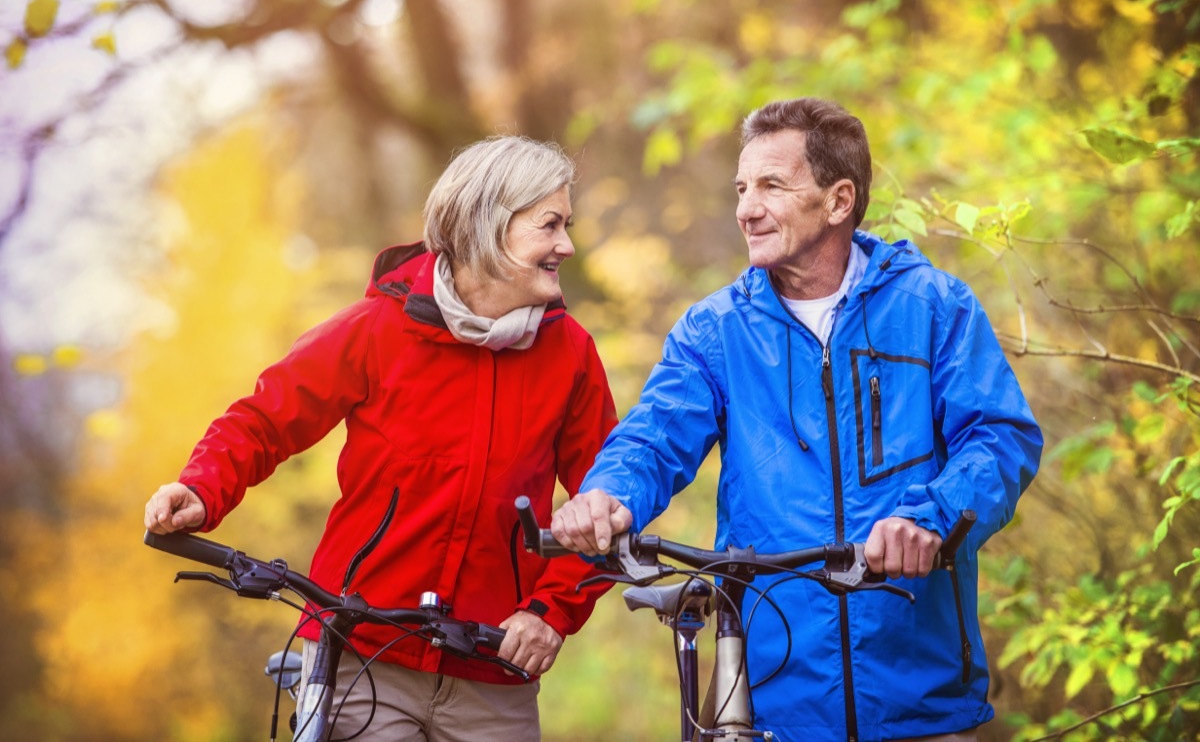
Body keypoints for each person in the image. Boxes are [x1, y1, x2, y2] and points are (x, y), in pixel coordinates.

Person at [550, 98, 1043, 742]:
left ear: (839, 202)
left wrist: (933, 516)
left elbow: (1000, 439)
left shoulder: (933, 305)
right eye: (741, 188)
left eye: (771, 186)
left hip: (920, 694)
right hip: (772, 700)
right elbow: (655, 435)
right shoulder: (716, 329)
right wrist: (609, 494)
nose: (745, 208)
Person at [144, 135, 617, 741]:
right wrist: (202, 487)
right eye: (549, 225)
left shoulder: (570, 353)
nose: (567, 245)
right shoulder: (376, 330)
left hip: (493, 671)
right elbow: (265, 418)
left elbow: (604, 502)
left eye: (566, 224)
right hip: (360, 657)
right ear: (486, 224)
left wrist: (551, 613)